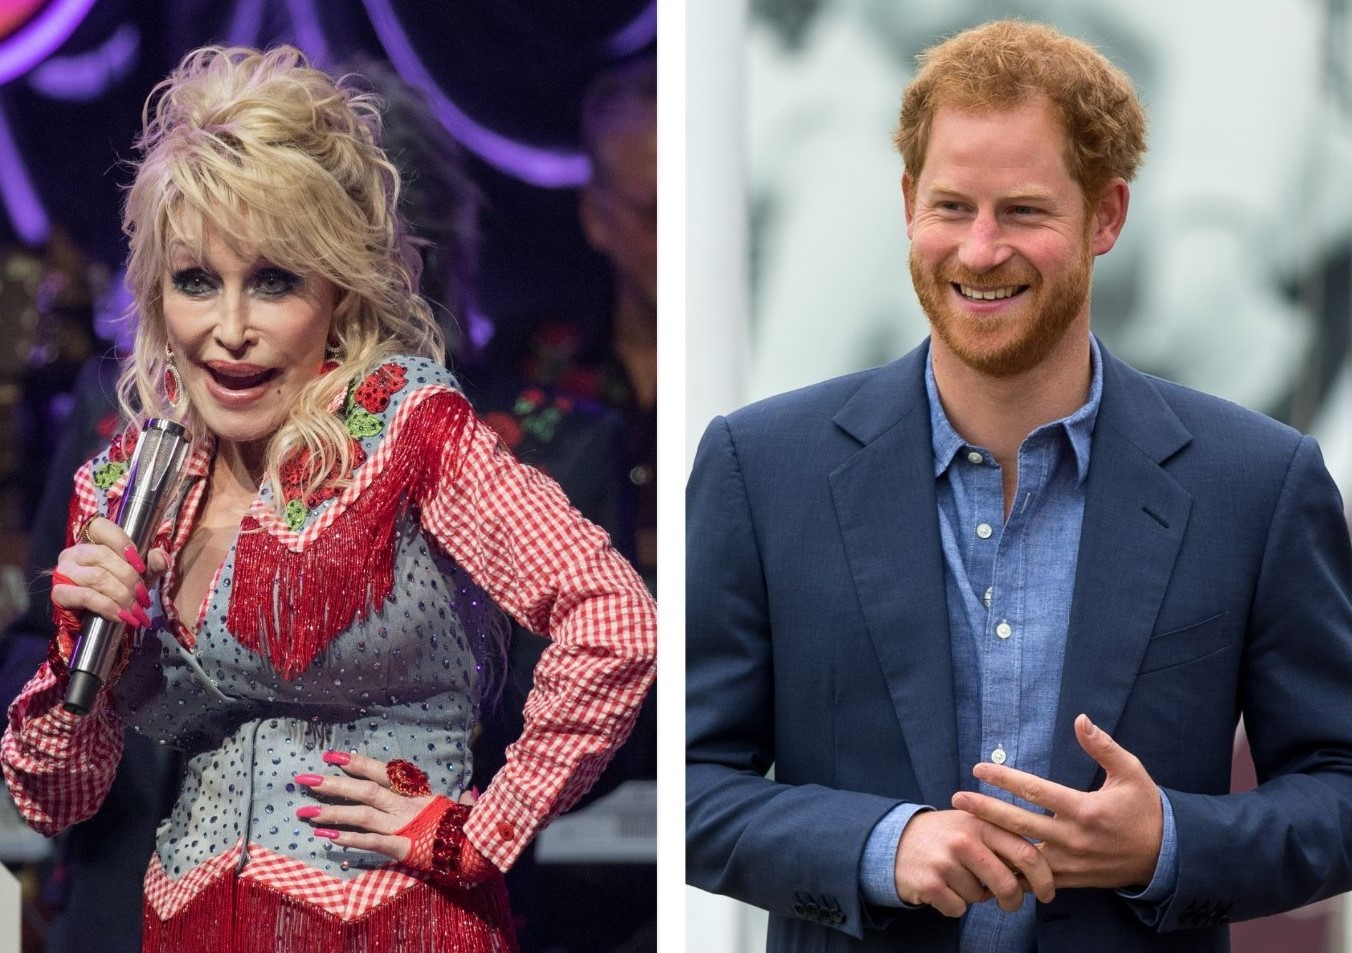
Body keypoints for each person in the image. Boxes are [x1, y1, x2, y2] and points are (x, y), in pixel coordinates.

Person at [685, 19, 1352, 953]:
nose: (980, 249)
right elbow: (689, 781)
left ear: (1107, 215)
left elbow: (1337, 790)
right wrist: (884, 845)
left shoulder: (1258, 481)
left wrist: (1168, 842)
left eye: (1025, 212)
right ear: (908, 199)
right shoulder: (762, 468)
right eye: (952, 206)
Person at [1, 45, 655, 953]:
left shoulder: (411, 437)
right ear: (157, 295)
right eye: (197, 281)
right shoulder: (127, 486)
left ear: (337, 296)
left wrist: (479, 829)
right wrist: (84, 656)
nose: (229, 329)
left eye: (273, 281)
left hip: (390, 925)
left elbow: (615, 621)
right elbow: (55, 795)